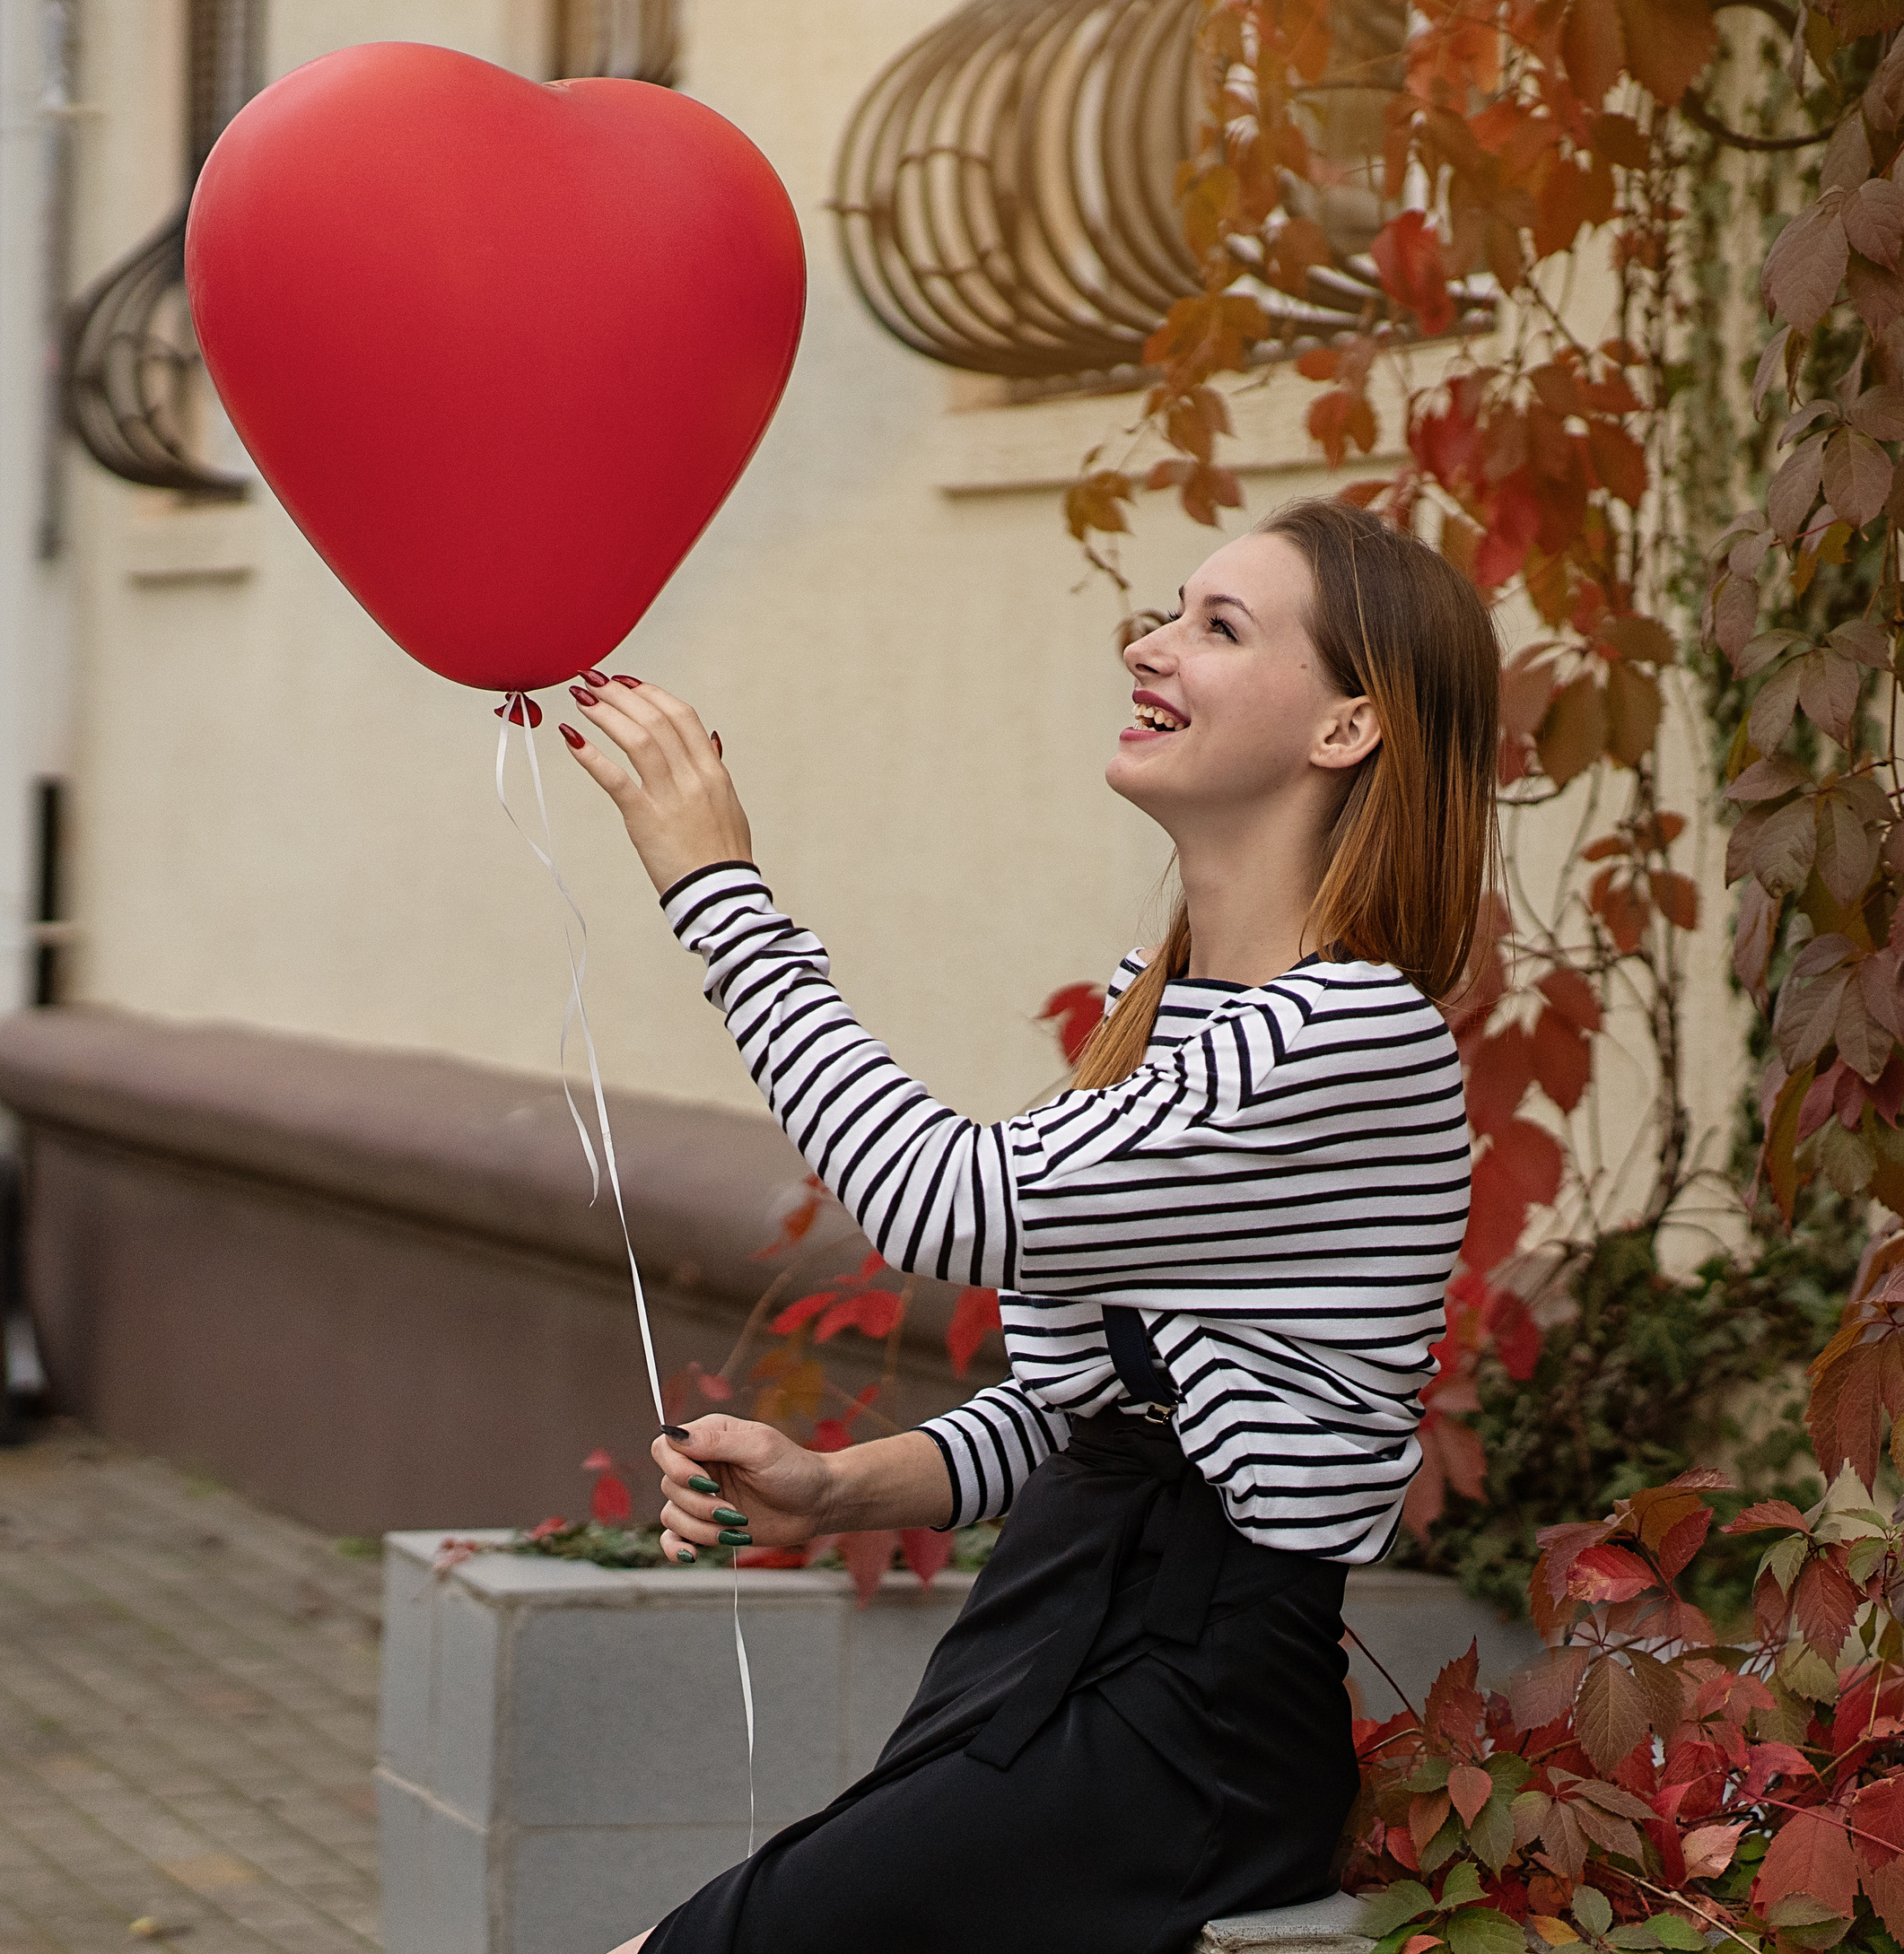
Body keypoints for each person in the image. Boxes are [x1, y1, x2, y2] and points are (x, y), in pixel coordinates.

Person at [560, 496, 1499, 1954]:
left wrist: (718, 889)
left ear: (1347, 727)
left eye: (1218, 626)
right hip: (1045, 1644)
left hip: (1186, 1721)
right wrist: (836, 1486)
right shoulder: (1168, 1005)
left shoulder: (1350, 1032)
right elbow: (1089, 1411)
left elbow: (943, 1202)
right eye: (1169, 610)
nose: (1149, 645)